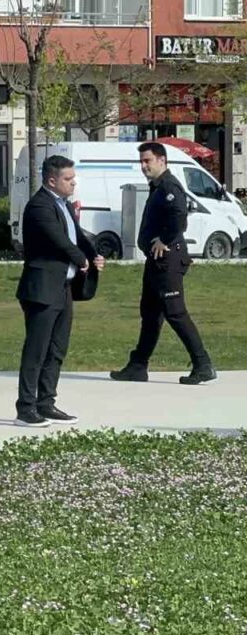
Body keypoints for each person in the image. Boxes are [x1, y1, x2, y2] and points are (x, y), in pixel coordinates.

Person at [110, 142, 217, 386]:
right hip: (156, 261)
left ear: (162, 160)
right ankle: (137, 366)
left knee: (175, 312)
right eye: (141, 161)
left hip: (168, 261)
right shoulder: (157, 187)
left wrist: (164, 240)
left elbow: (179, 217)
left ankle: (203, 365)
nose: (143, 166)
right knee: (150, 314)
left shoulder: (169, 186)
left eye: (147, 161)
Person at [14, 155, 105, 428]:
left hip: (63, 288)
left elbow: (77, 236)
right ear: (52, 180)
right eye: (68, 179)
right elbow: (59, 240)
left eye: (73, 178)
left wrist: (94, 255)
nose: (73, 183)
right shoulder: (39, 206)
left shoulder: (62, 204)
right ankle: (26, 408)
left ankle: (46, 402)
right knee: (37, 350)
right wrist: (81, 259)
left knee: (56, 349)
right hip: (42, 289)